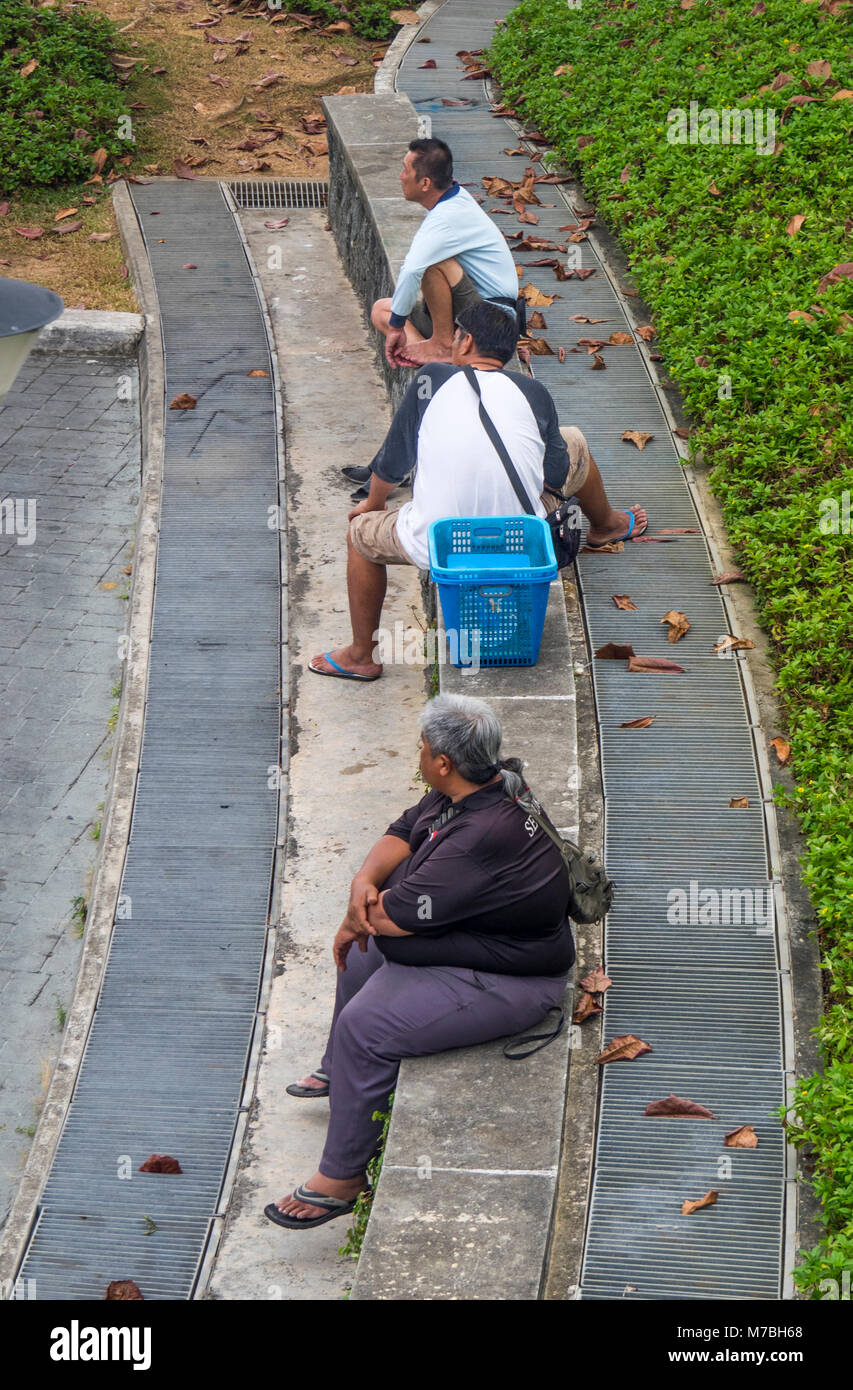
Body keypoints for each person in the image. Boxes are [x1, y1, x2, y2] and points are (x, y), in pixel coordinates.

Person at [264, 694, 575, 1230]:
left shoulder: (481, 835)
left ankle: (342, 1178)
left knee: (367, 1025)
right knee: (362, 958)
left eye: (423, 747)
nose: (420, 753)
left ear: (443, 762)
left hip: (514, 978)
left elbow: (391, 920)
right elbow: (402, 830)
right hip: (473, 940)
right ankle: (342, 1072)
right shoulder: (481, 786)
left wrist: (359, 913)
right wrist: (361, 885)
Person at [310, 300, 647, 682]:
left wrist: (372, 504)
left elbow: (391, 462)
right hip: (520, 539)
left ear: (466, 341)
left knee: (360, 538)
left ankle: (360, 655)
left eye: (455, 334)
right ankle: (608, 526)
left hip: (440, 543)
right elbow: (554, 471)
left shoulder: (431, 379)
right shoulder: (534, 391)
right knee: (575, 442)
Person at [370, 137, 521, 370]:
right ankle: (440, 360)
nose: (400, 176)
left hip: (491, 322)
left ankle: (441, 346)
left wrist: (398, 327)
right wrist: (396, 325)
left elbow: (411, 269)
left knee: (434, 264)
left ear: (425, 183)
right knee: (382, 310)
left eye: (405, 170)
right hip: (467, 317)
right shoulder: (452, 201)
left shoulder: (447, 217)